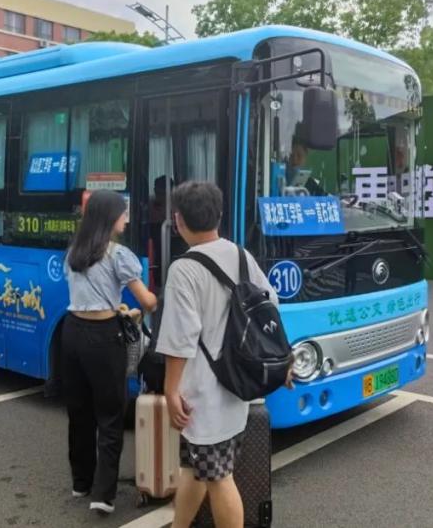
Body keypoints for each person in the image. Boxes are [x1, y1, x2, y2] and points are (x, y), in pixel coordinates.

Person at [156, 181, 279, 528]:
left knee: (219, 478)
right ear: (220, 215)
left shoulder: (184, 269)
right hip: (235, 385)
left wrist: (170, 390)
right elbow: (271, 303)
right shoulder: (241, 255)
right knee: (196, 468)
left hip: (203, 395)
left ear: (178, 220)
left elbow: (180, 337)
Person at [62, 190, 158, 515]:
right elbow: (146, 301)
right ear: (110, 218)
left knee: (79, 412)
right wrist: (152, 302)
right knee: (110, 415)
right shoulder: (118, 254)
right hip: (103, 338)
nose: (127, 219)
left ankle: (81, 482)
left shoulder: (75, 251)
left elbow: (86, 296)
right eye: (123, 213)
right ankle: (103, 495)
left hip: (72, 332)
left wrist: (115, 307)